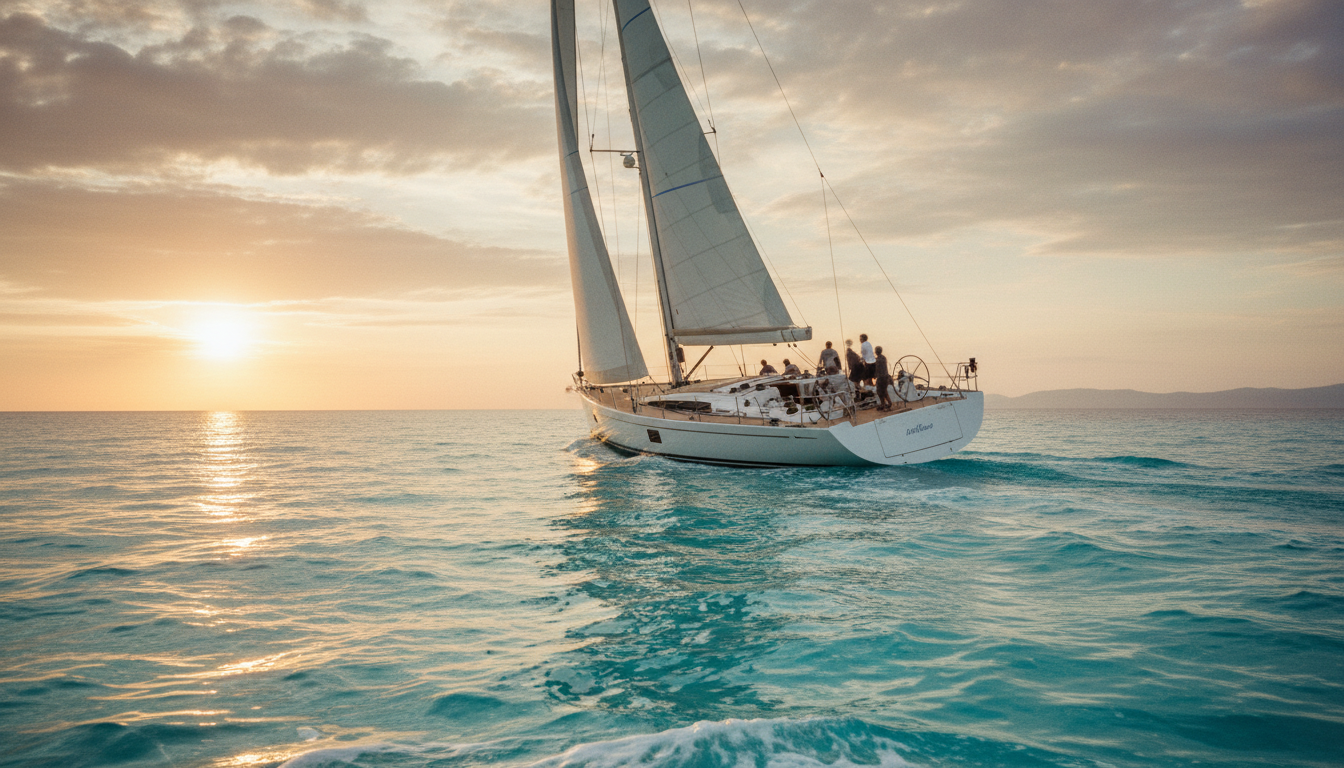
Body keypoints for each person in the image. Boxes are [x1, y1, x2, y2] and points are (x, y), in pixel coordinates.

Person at [873, 346, 893, 411]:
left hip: (881, 377)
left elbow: (877, 369)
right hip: (885, 377)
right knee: (884, 391)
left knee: (880, 391)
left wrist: (874, 375)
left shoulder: (878, 359)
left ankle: (884, 404)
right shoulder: (883, 358)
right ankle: (888, 403)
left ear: (876, 352)